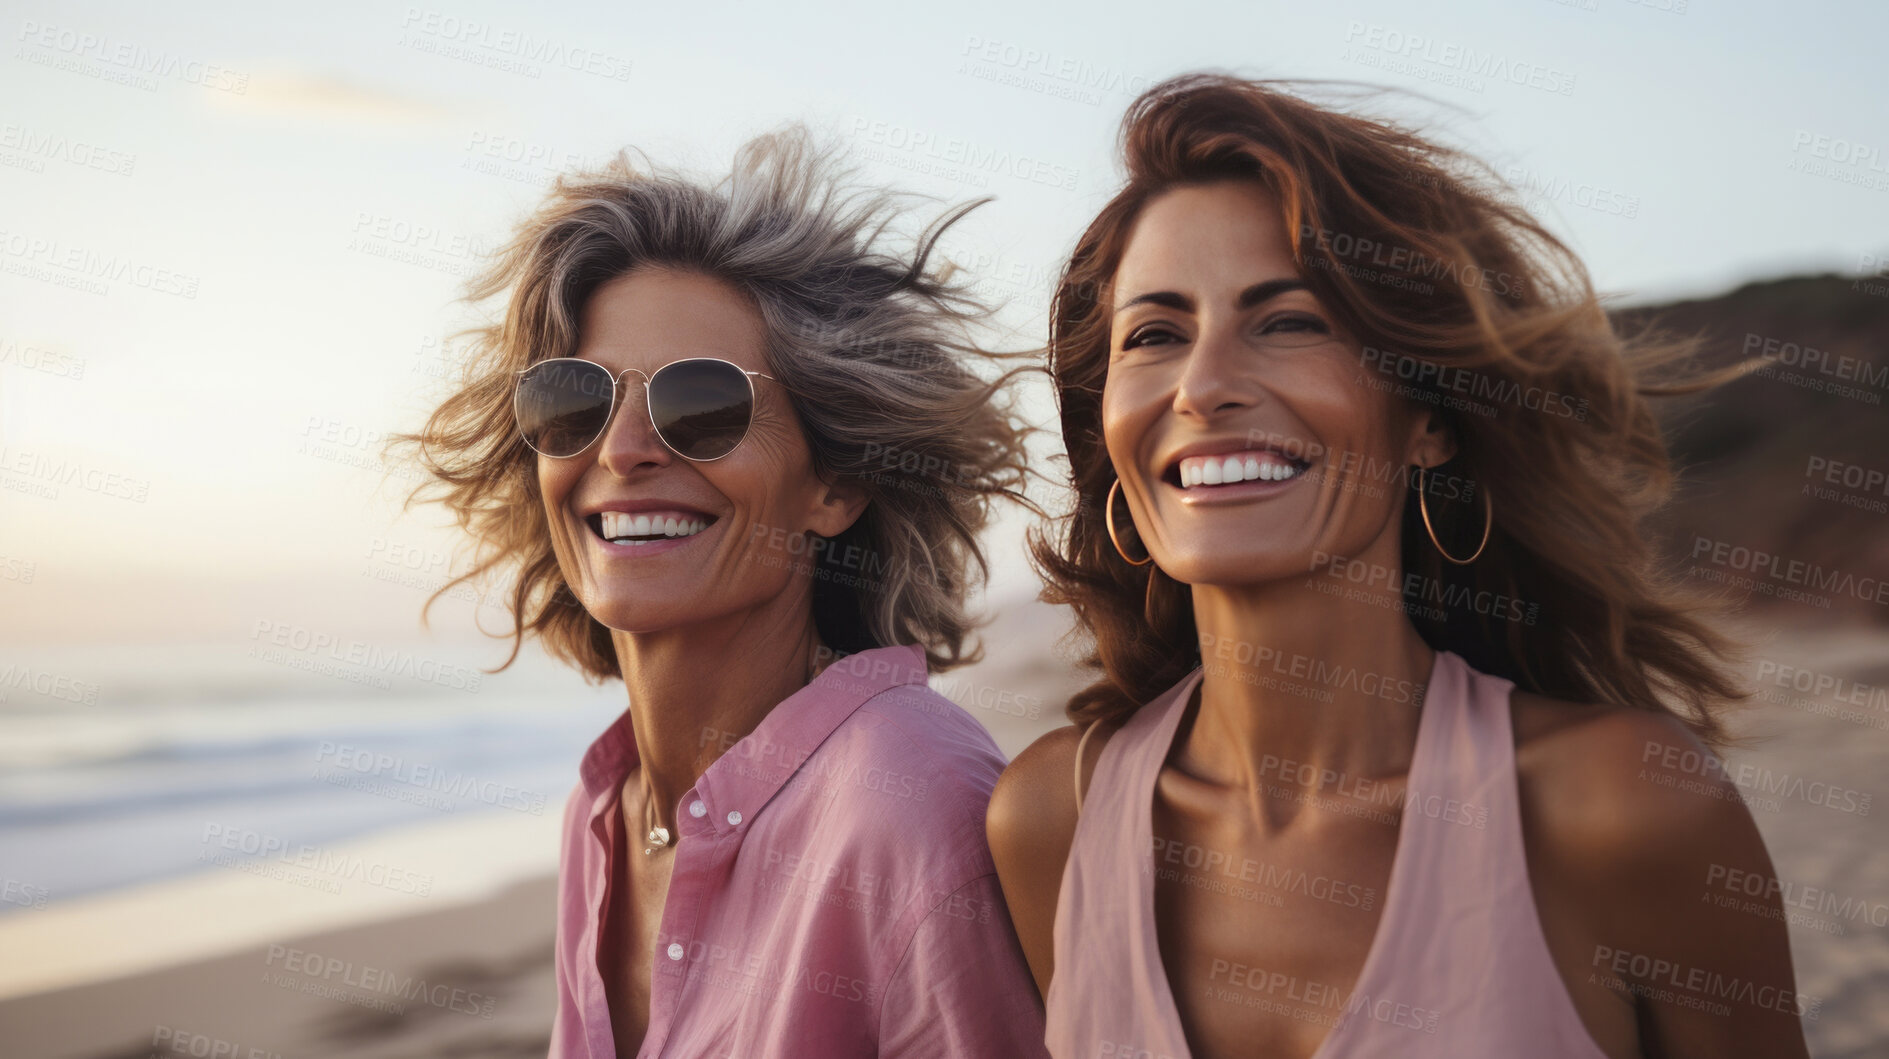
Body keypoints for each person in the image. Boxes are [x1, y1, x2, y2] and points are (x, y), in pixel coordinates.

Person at [988, 74, 1811, 1059]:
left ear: (1427, 420)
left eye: (1287, 321)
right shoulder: (1048, 821)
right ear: (1106, 433)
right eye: (1153, 335)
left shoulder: (1619, 806)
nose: (1202, 387)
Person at [399, 125, 1049, 1057]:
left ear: (835, 486)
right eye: (574, 401)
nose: (620, 450)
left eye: (700, 403)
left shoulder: (913, 807)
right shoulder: (609, 807)